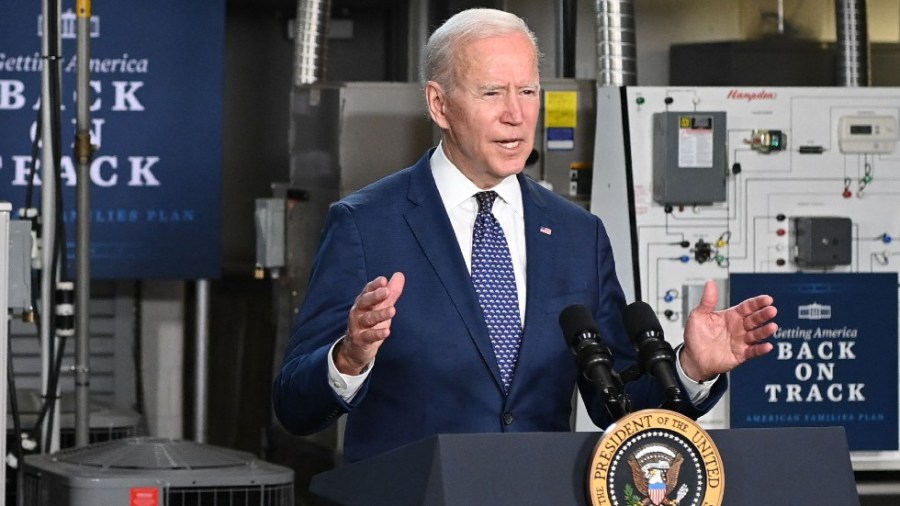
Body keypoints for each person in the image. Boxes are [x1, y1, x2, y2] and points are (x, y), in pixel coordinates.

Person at [272, 8, 778, 463]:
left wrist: (691, 367)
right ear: (439, 104)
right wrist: (348, 357)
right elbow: (294, 407)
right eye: (492, 92)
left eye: (528, 91)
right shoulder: (365, 224)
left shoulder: (579, 236)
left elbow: (618, 405)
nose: (516, 113)